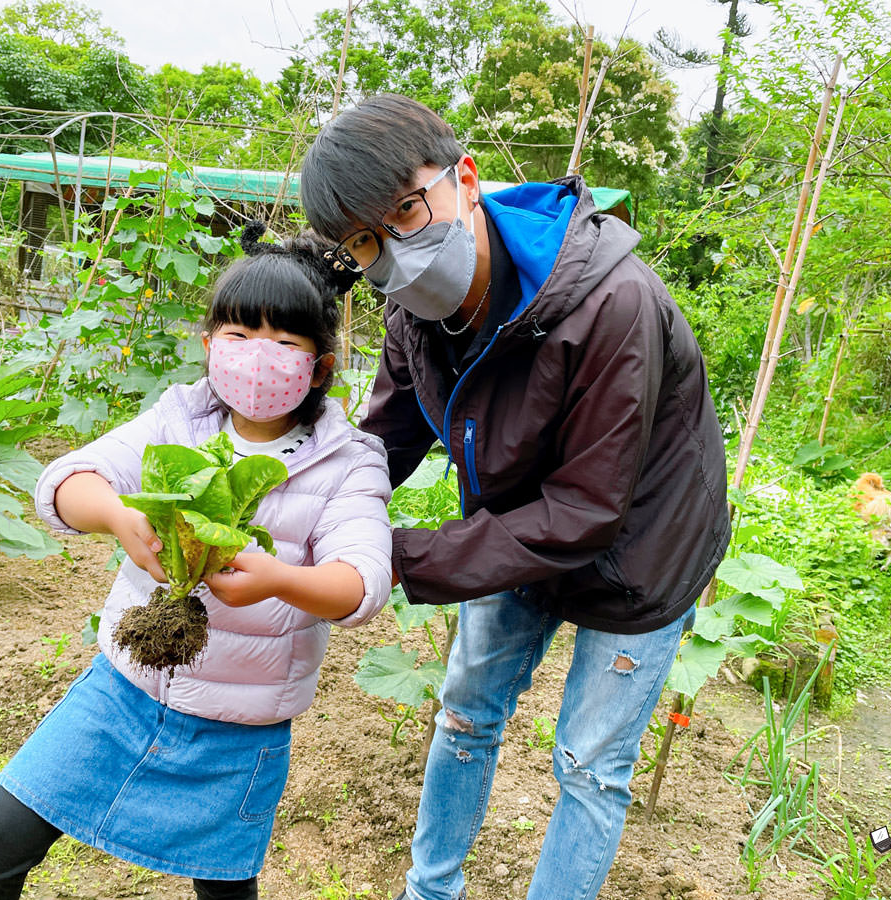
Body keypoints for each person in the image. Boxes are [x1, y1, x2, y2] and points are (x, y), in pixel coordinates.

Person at [298, 94, 730, 900]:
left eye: (404, 211)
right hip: (514, 529)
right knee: (464, 713)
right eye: (365, 241)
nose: (395, 251)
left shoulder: (611, 305)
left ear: (465, 176)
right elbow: (385, 440)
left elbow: (586, 512)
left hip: (645, 545)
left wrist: (388, 558)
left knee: (590, 766)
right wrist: (301, 511)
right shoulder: (414, 312)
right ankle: (430, 892)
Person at [0, 225, 392, 900]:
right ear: (210, 346)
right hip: (120, 691)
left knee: (222, 889)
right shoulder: (180, 417)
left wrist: (277, 580)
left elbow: (361, 582)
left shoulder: (348, 461)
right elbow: (70, 479)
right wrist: (119, 517)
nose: (256, 357)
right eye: (238, 336)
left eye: (283, 342)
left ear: (321, 366)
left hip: (240, 731)